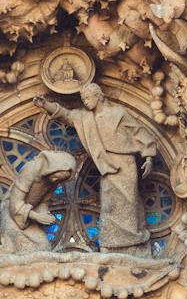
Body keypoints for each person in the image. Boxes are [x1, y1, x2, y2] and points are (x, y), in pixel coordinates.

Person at [40, 84, 157, 252]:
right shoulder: (85, 118)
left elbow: (139, 132)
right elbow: (66, 115)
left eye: (88, 98)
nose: (86, 102)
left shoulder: (118, 113)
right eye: (83, 100)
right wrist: (46, 105)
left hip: (125, 163)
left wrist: (148, 156)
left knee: (129, 203)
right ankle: (112, 245)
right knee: (109, 205)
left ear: (99, 96)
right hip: (107, 167)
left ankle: (133, 244)